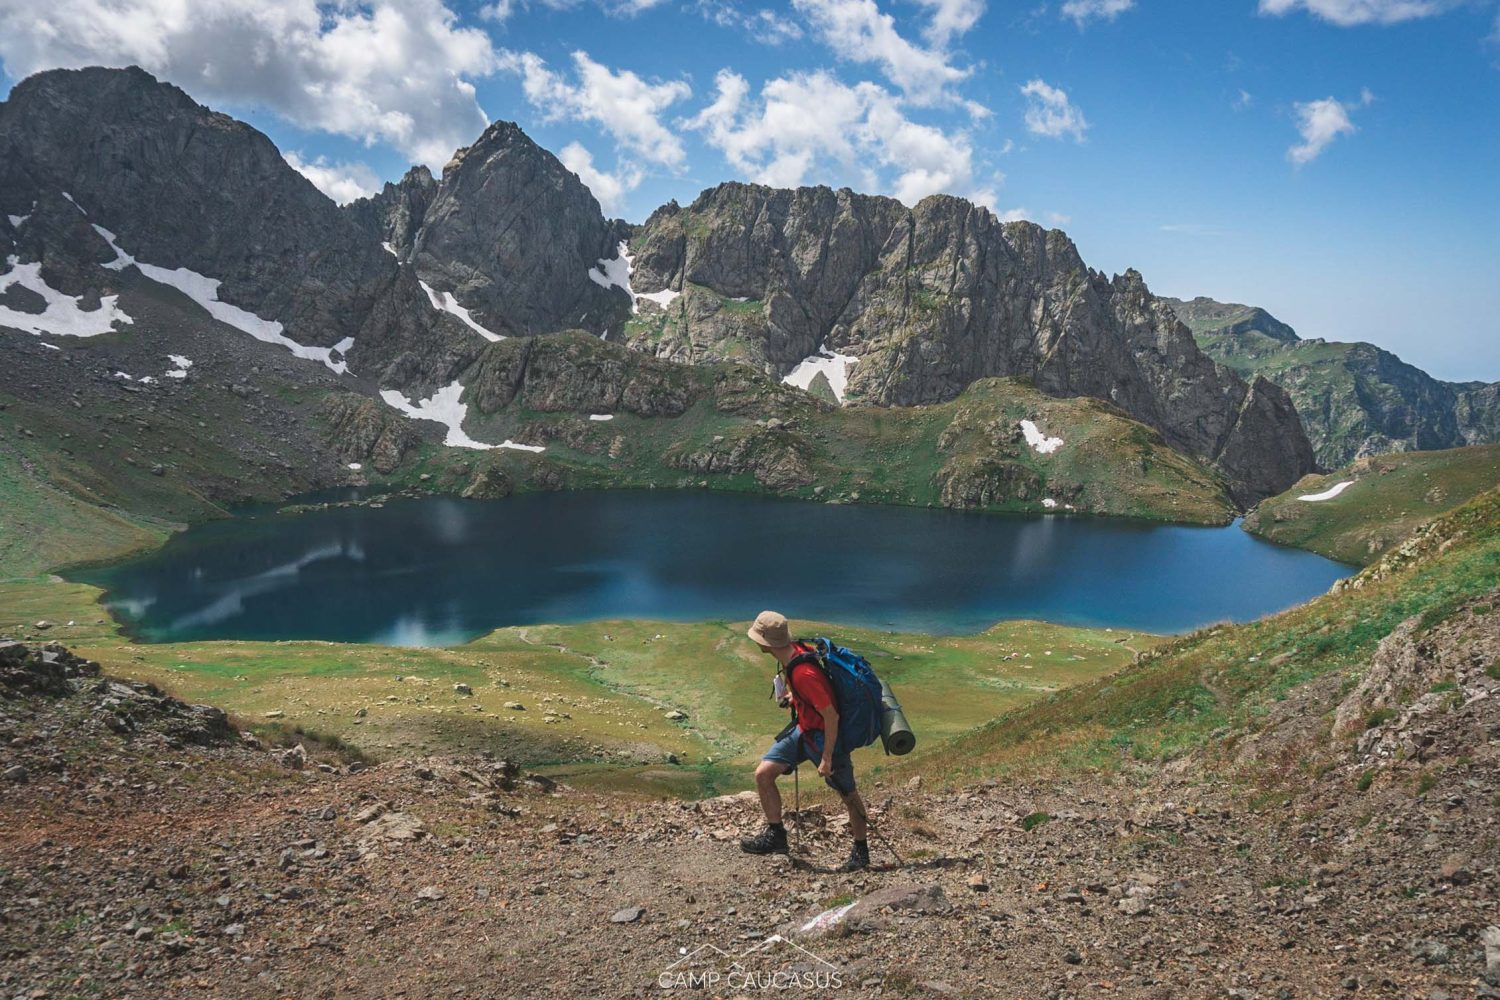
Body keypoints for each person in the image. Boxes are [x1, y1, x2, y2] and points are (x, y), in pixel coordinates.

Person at [739, 610, 870, 873]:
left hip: (823, 738)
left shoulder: (803, 673)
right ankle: (776, 836)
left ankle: (861, 851)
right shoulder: (796, 653)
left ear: (766, 642)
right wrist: (793, 698)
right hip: (804, 730)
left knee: (848, 794)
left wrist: (827, 758)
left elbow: (831, 716)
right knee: (764, 774)